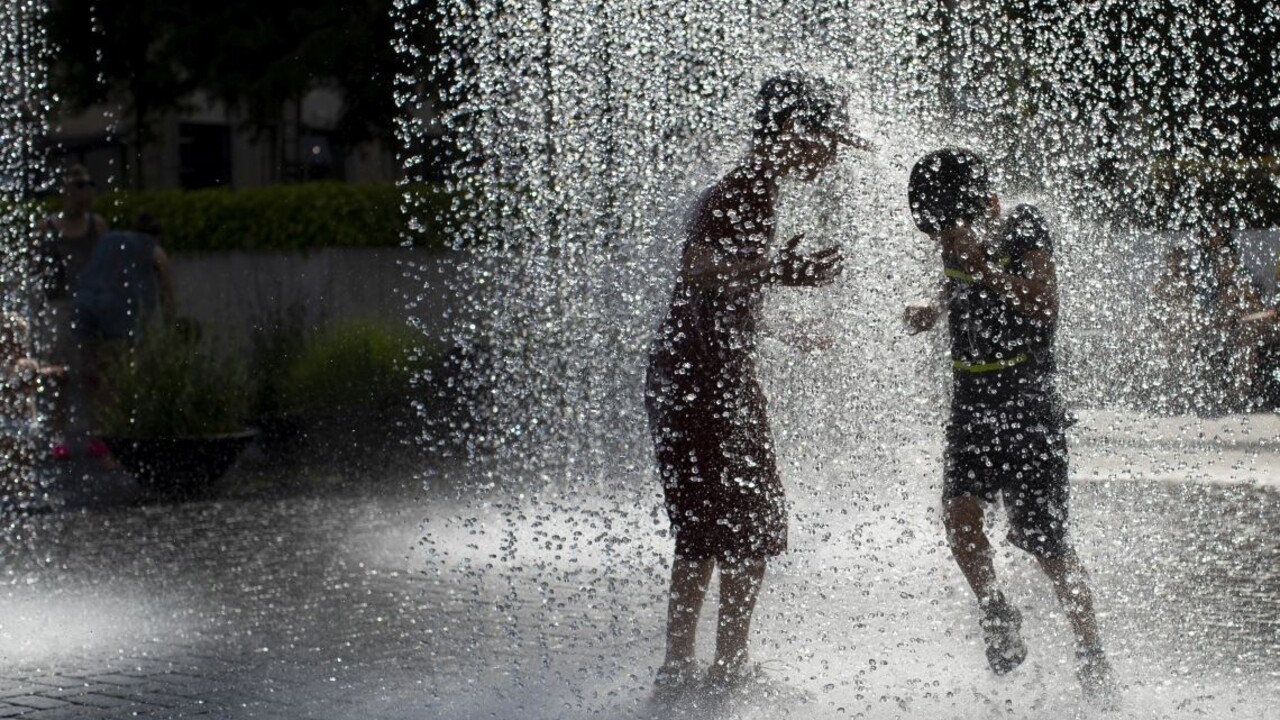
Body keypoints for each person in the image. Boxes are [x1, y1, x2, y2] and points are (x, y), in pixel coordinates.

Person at [645, 71, 867, 695]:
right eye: (827, 142)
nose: (829, 159)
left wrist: (782, 326)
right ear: (797, 132)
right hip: (705, 379)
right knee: (747, 521)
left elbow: (718, 291)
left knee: (710, 524)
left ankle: (682, 666)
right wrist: (778, 267)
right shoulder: (741, 190)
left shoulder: (751, 188)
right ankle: (722, 666)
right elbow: (698, 267)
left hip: (692, 372)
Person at [903, 148, 1117, 703]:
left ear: (974, 204)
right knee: (958, 515)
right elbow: (958, 280)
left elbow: (1043, 304)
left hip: (1028, 404)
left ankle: (1091, 651)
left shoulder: (1024, 225)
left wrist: (983, 269)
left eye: (944, 224)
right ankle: (996, 610)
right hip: (972, 400)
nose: (941, 238)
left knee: (1048, 545)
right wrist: (934, 305)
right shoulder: (959, 235)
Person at [73, 215, 178, 431]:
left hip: (83, 303)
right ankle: (117, 429)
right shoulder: (154, 248)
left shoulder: (110, 239)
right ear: (158, 236)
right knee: (122, 370)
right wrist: (171, 325)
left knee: (92, 369)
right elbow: (167, 292)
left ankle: (94, 428)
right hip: (117, 310)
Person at [35, 165, 108, 456]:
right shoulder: (48, 227)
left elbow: (107, 262)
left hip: (91, 303)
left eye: (89, 184)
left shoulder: (97, 225)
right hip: (61, 304)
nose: (85, 191)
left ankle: (97, 433)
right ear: (65, 191)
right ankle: (57, 436)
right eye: (79, 185)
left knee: (94, 372)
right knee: (60, 373)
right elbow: (35, 267)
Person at [1, 312, 65, 515]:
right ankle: (18, 496)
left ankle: (21, 496)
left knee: (19, 464)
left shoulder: (24, 365)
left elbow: (28, 378)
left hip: (21, 425)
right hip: (12, 426)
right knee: (15, 465)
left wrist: (47, 373)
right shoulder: (19, 366)